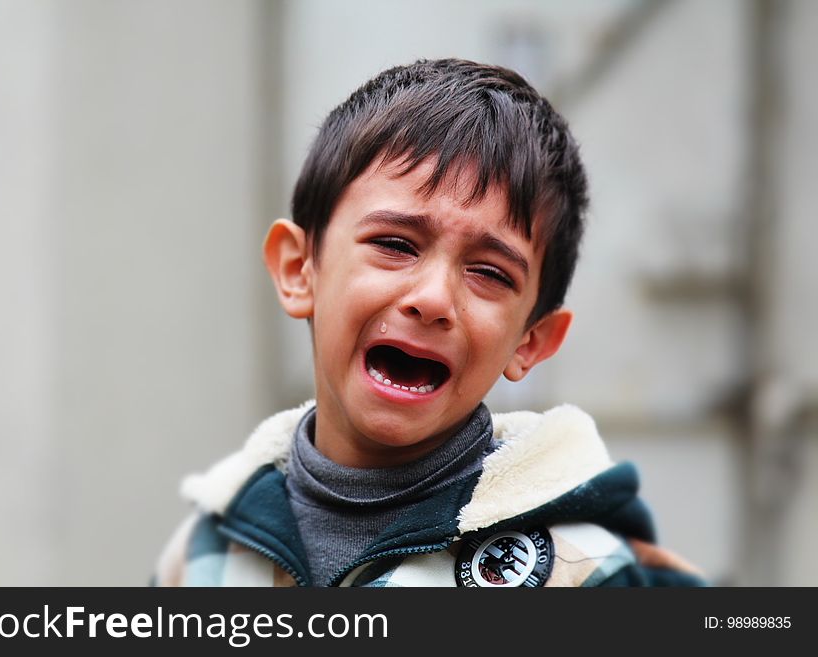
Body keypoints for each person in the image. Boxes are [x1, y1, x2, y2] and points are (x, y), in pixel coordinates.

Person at [153, 58, 704, 587]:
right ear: (300, 269)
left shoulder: (585, 573)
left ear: (532, 341)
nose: (434, 298)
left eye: (489, 273)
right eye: (395, 244)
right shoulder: (203, 555)